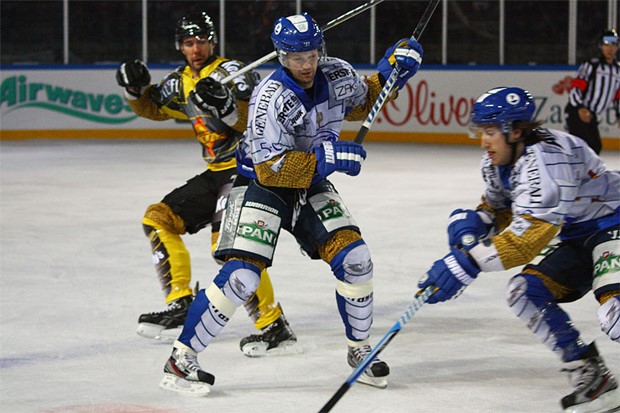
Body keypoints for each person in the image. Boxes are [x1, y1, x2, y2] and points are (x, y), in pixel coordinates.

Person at [158, 12, 423, 396]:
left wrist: (391, 74)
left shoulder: (335, 74)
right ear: (281, 57)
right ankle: (181, 360)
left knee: (356, 259)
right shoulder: (270, 98)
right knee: (241, 277)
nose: (306, 64)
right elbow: (269, 169)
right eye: (297, 57)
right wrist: (327, 161)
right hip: (261, 184)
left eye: (312, 54)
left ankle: (360, 351)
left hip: (309, 183)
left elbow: (364, 98)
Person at [418, 86, 620, 412]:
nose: (483, 140)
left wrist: (466, 262)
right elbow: (500, 207)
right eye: (481, 131)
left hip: (614, 223)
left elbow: (527, 240)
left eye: (490, 131)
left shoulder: (548, 160)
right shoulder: (501, 161)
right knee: (525, 291)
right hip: (575, 235)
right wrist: (473, 226)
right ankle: (592, 376)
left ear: (514, 131)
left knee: (615, 313)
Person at [115, 11, 300, 357]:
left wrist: (232, 99)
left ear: (213, 42)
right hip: (216, 172)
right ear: (180, 46)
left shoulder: (231, 72)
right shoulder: (178, 81)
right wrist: (134, 90)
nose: (196, 48)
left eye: (201, 41)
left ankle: (273, 325)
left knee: (230, 246)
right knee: (157, 219)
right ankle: (180, 301)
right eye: (188, 42)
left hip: (245, 170)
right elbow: (154, 107)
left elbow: (257, 114)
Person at [565, 29, 620, 154]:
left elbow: (617, 95)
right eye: (606, 44)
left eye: (613, 44)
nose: (609, 48)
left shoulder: (617, 71)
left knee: (593, 148)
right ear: (601, 46)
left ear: (617, 46)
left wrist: (618, 114)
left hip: (592, 115)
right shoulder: (592, 65)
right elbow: (576, 88)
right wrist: (580, 107)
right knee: (589, 147)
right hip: (577, 111)